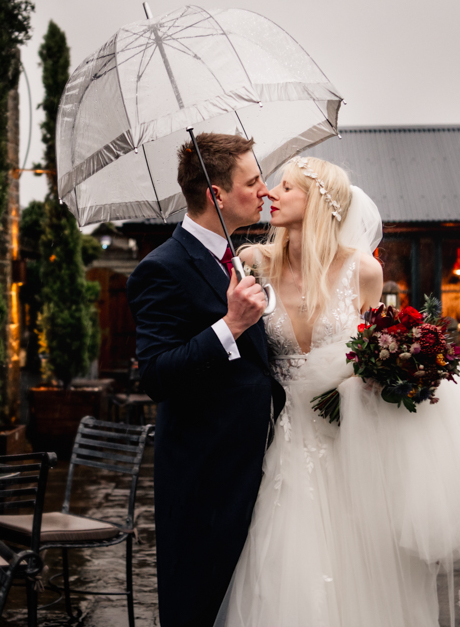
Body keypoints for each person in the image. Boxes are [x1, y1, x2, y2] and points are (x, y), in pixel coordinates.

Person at [216, 156, 460, 627]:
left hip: (353, 446)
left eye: (287, 188)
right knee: (283, 562)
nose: (272, 194)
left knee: (365, 571)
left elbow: (373, 350)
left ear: (319, 203)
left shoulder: (363, 271)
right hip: (281, 439)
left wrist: (385, 370)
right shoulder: (251, 263)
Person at [127, 133, 286, 627]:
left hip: (255, 464)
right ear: (216, 195)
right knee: (198, 606)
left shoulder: (235, 259)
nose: (265, 190)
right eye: (253, 180)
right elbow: (155, 375)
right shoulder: (162, 269)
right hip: (205, 479)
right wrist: (230, 325)